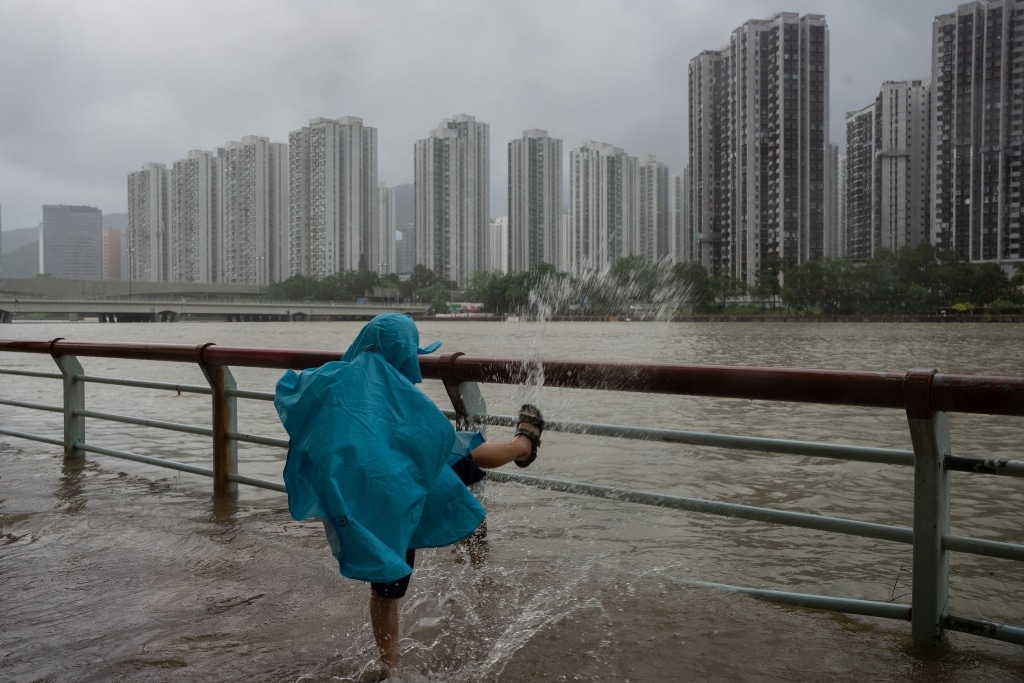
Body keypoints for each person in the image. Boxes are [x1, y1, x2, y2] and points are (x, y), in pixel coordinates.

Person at [274, 313, 543, 680]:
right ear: (402, 355)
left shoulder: (334, 378)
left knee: (386, 587)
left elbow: (291, 390)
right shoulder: (396, 392)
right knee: (466, 469)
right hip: (408, 484)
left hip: (372, 502)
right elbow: (431, 435)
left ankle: (391, 668)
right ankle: (521, 447)